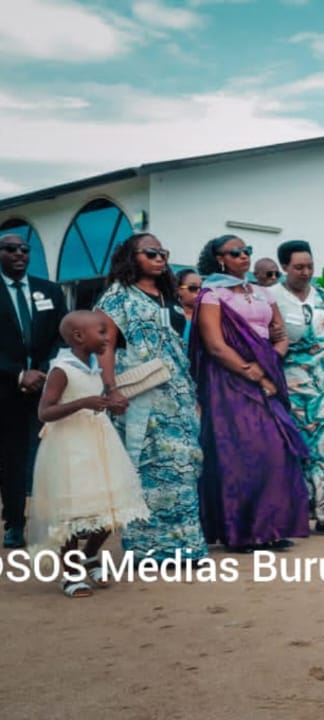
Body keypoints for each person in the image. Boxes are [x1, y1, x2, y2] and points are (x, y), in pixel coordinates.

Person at [189, 234, 310, 552]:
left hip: (267, 374)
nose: (244, 256)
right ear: (219, 259)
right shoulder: (212, 294)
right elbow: (214, 344)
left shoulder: (262, 292)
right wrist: (249, 370)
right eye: (236, 252)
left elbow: (279, 333)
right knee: (243, 454)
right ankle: (242, 532)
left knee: (278, 451)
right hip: (231, 381)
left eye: (248, 252)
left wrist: (274, 356)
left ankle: (272, 526)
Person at [96, 233, 209, 562]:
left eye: (163, 253)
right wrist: (110, 388)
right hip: (142, 398)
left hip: (177, 394)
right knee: (148, 469)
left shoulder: (169, 295)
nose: (160, 259)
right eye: (151, 253)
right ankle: (148, 549)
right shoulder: (118, 297)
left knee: (184, 466)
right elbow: (105, 345)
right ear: (132, 257)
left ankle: (184, 546)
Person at [28, 311, 149, 597]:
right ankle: (70, 573)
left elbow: (95, 400)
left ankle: (91, 554)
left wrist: (111, 404)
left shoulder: (91, 366)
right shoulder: (62, 369)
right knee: (73, 511)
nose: (107, 337)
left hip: (99, 443)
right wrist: (83, 402)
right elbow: (45, 412)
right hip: (70, 447)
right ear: (79, 337)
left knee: (113, 505)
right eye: (101, 332)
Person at [273, 240, 324, 537]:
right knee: (294, 453)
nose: (306, 272)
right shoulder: (273, 297)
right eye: (298, 267)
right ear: (284, 267)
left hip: (322, 391)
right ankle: (293, 515)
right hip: (289, 391)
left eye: (309, 266)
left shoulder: (321, 295)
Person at [0, 232, 68, 549]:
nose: (19, 254)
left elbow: (63, 333)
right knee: (12, 458)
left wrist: (45, 369)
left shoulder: (50, 290)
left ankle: (52, 521)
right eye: (10, 249)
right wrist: (18, 373)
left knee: (49, 454)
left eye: (24, 249)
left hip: (47, 386)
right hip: (6, 388)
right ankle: (15, 522)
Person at [176, 269, 202, 346]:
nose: (199, 291)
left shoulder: (207, 317)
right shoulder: (172, 317)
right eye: (193, 288)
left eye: (202, 288)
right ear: (178, 290)